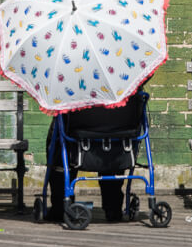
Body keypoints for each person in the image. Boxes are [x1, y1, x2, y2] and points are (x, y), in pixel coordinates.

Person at [45, 90, 146, 223]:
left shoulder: (70, 76)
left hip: (81, 129)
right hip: (120, 130)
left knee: (58, 137)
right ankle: (113, 207)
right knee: (112, 140)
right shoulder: (130, 75)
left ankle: (60, 207)